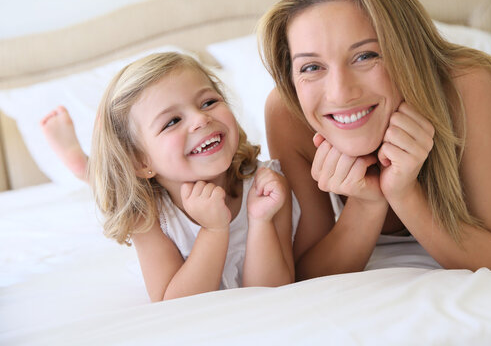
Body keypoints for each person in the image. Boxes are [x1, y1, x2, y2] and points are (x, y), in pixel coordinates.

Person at [257, 0, 491, 279]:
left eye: (365, 55)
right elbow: (308, 271)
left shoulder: (468, 83)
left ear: (406, 50)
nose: (341, 93)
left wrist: (405, 193)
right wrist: (366, 204)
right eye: (312, 67)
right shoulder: (287, 112)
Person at [42, 52, 299, 301]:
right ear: (141, 162)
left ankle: (89, 168)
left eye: (208, 102)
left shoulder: (267, 187)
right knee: (115, 192)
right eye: (172, 121)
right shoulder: (148, 215)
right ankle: (85, 168)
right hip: (140, 184)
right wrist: (213, 230)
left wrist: (260, 220)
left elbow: (271, 292)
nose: (201, 119)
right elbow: (174, 304)